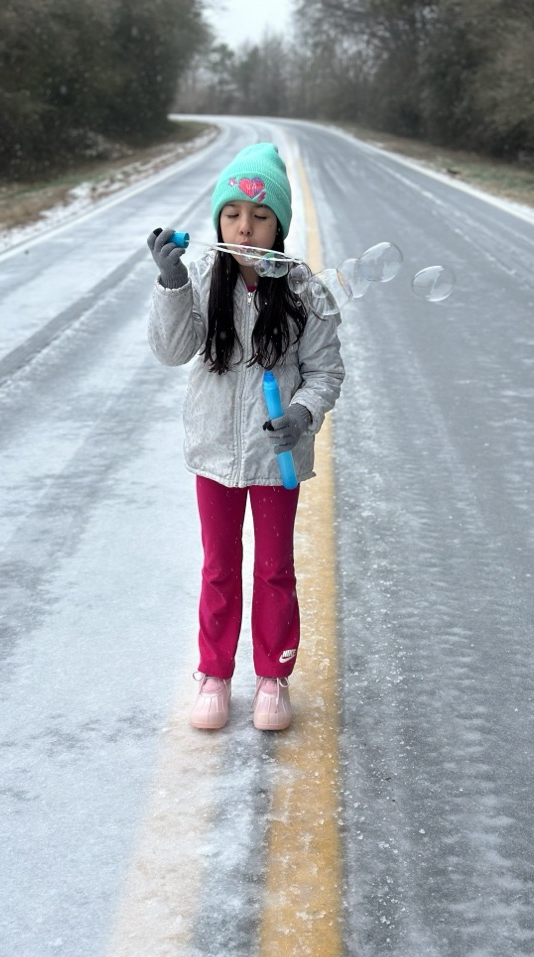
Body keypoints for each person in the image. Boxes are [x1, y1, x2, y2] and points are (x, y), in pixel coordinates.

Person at [147, 142, 344, 732]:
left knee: (275, 568)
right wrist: (171, 283)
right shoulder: (202, 277)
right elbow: (171, 350)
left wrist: (302, 415)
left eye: (260, 216)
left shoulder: (305, 290)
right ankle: (213, 674)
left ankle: (272, 677)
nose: (245, 227)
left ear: (278, 225)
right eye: (232, 214)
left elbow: (325, 372)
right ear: (218, 221)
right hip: (215, 455)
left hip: (276, 457)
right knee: (219, 567)